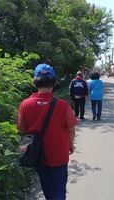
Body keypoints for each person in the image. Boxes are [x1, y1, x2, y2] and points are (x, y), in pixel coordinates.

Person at [17, 63, 77, 200]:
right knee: (59, 190)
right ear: (54, 82)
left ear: (34, 82)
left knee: (47, 188)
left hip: (38, 155)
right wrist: (71, 144)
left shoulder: (25, 104)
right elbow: (71, 129)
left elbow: (21, 129)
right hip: (59, 156)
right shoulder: (62, 105)